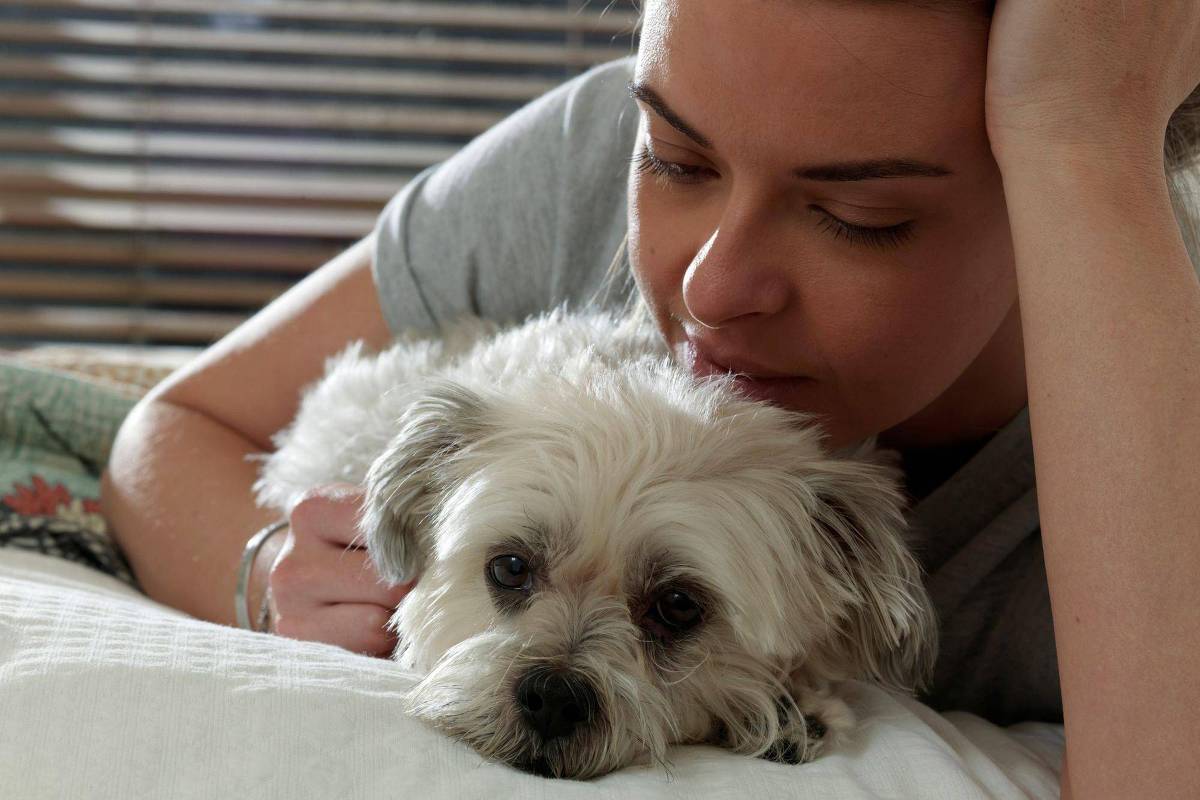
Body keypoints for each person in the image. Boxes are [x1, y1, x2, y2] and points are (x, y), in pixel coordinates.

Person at [100, 1, 1200, 797]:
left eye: (859, 218)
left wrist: (1083, 134)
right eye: (677, 159)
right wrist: (260, 573)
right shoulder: (591, 153)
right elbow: (178, 426)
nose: (710, 286)